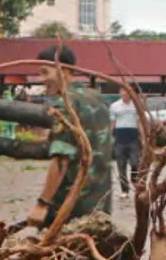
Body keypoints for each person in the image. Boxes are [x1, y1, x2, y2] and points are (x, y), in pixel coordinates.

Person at [24, 46, 114, 227]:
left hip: (71, 205)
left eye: (45, 72)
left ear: (63, 70)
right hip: (101, 202)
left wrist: (42, 204)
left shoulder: (65, 104)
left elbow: (61, 160)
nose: (41, 79)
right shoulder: (97, 98)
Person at [112, 94, 143, 197]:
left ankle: (134, 180)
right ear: (120, 93)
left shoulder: (136, 106)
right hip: (120, 137)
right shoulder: (115, 106)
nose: (125, 94)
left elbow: (139, 121)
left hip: (133, 137)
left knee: (135, 162)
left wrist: (143, 136)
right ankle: (124, 190)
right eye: (123, 91)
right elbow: (112, 122)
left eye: (127, 92)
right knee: (121, 166)